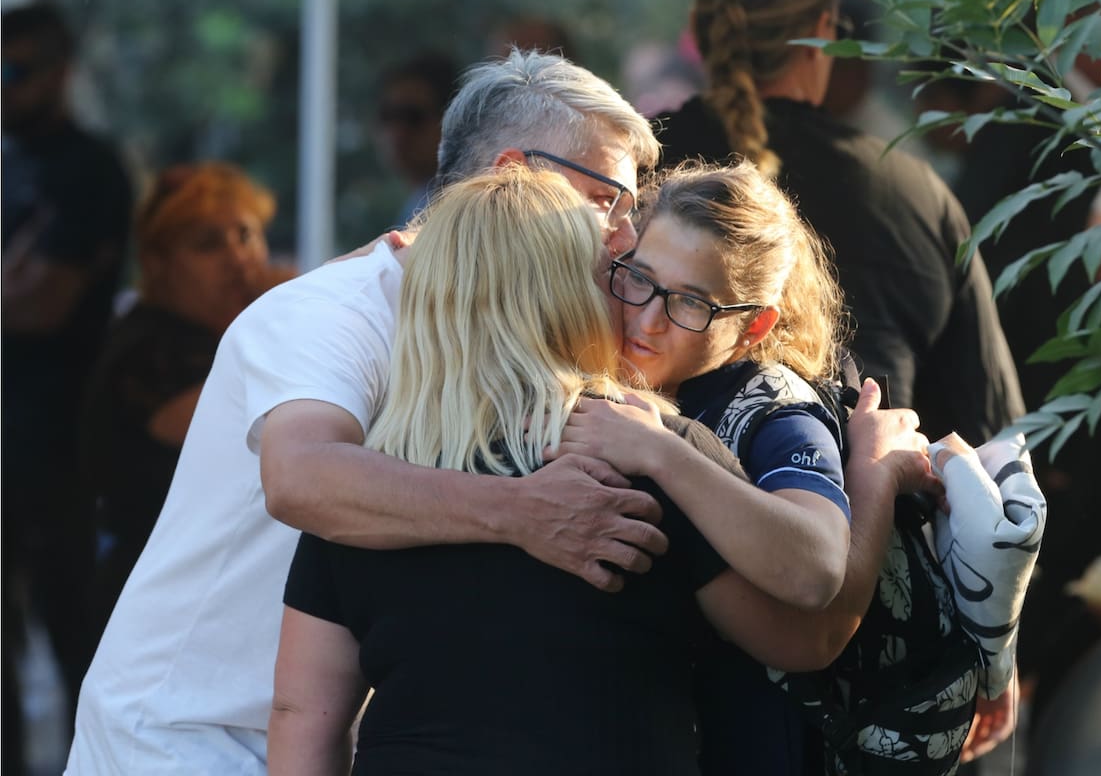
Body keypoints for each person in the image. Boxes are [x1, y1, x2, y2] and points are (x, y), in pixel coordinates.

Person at [68, 49, 858, 775]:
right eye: (604, 199)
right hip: (184, 739)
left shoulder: (518, 361)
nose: (624, 234)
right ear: (515, 175)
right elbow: (302, 478)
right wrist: (522, 512)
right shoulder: (333, 312)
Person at [267, 164, 933, 775]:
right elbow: (806, 635)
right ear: (564, 296)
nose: (635, 312)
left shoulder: (363, 490)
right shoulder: (644, 450)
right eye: (620, 275)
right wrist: (872, 471)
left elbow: (304, 718)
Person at [651, 0, 1029, 768]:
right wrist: (995, 653)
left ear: (700, 24)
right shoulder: (913, 188)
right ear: (825, 29)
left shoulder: (646, 176)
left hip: (665, 626)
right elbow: (987, 446)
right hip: (870, 657)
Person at [1, 0, 133, 763]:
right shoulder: (10, 161)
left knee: (74, 633)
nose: (3, 87)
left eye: (14, 70)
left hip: (61, 448)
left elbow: (44, 305)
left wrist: (21, 290)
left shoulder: (88, 170)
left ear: (60, 73)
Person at [79, 162, 285, 645]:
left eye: (245, 233)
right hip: (160, 613)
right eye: (208, 244)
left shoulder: (226, 336)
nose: (239, 259)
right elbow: (256, 421)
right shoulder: (150, 351)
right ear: (159, 264)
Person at [373, 52, 459, 225]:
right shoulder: (418, 203)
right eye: (388, 116)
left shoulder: (451, 208)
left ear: (450, 123)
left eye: (412, 117)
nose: (397, 132)